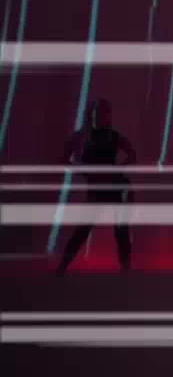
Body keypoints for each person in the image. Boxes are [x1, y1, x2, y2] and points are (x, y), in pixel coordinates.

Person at [55, 98, 137, 275]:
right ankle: (62, 267)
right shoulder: (81, 137)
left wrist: (117, 169)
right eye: (99, 112)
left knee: (120, 230)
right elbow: (63, 158)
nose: (102, 116)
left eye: (105, 113)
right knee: (83, 230)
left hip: (116, 186)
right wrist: (82, 169)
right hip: (100, 187)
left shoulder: (111, 136)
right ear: (91, 114)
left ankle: (125, 268)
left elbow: (132, 154)